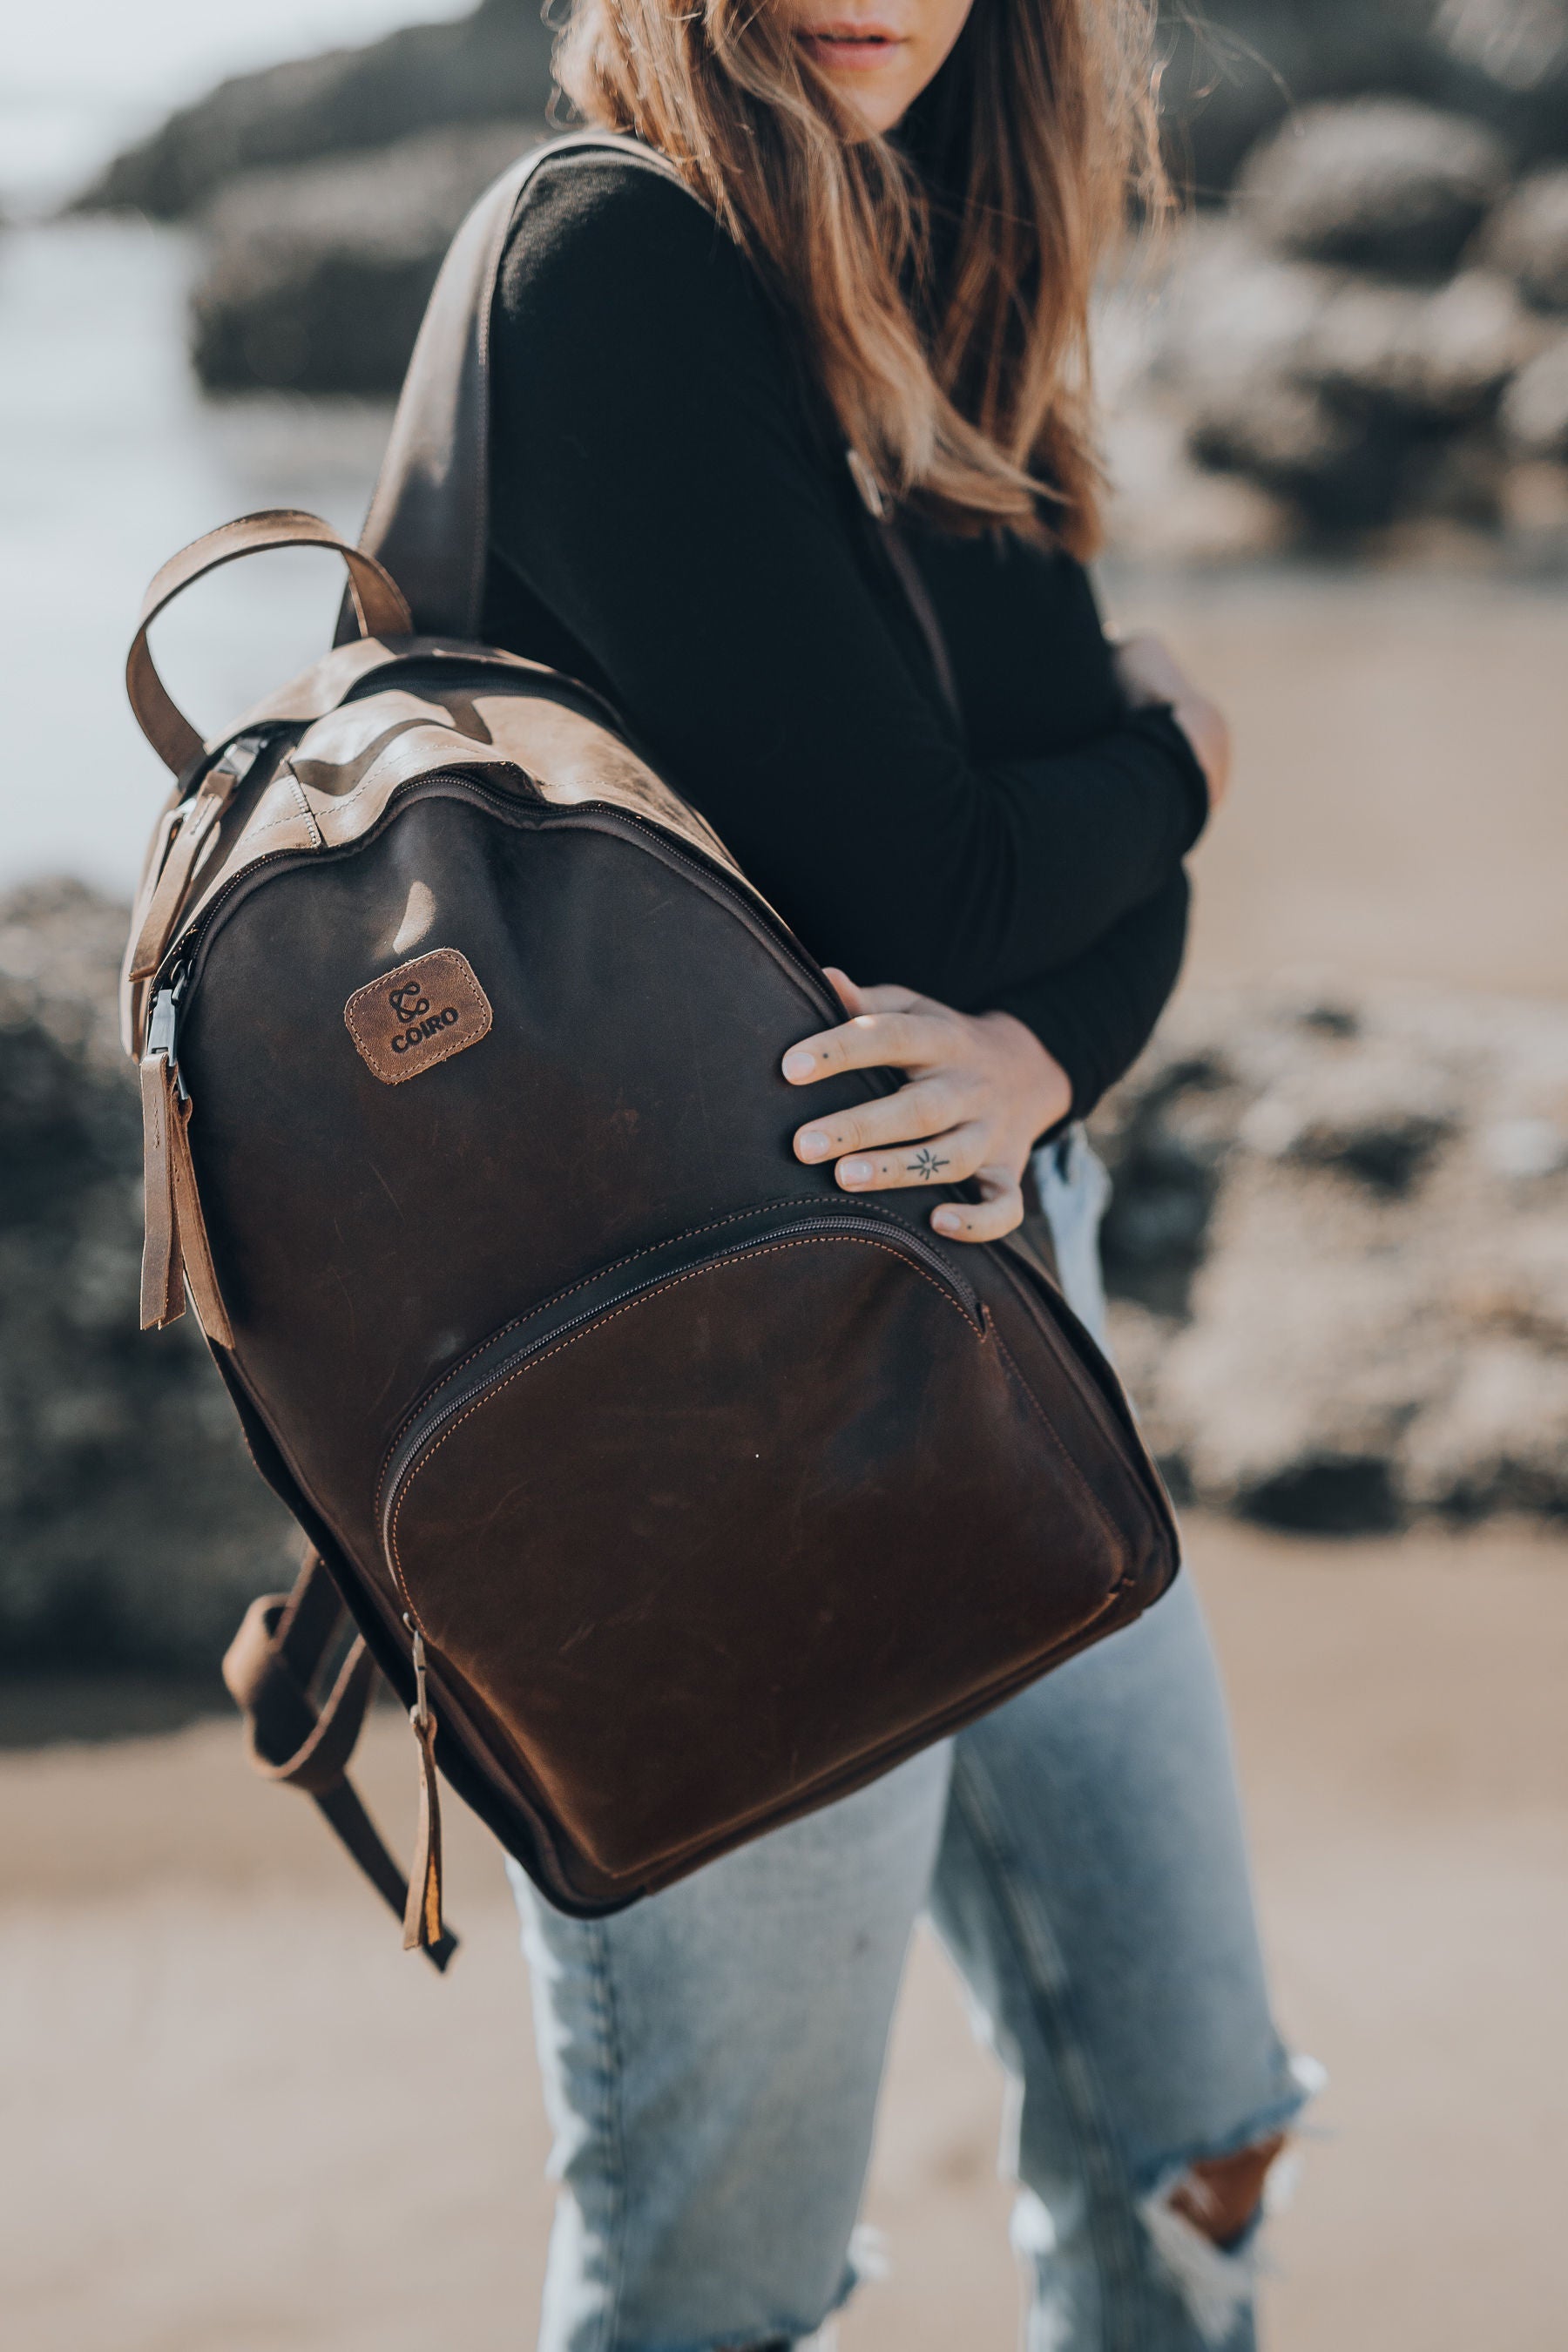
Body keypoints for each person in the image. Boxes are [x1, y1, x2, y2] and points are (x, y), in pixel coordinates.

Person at [478, 0, 1312, 2343]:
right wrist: (1190, 754)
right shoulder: (609, 273)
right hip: (707, 1418)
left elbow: (1043, 911)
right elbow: (958, 877)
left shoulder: (942, 243)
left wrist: (1045, 1055)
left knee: (1202, 2130)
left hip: (1016, 1304)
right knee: (712, 2285)